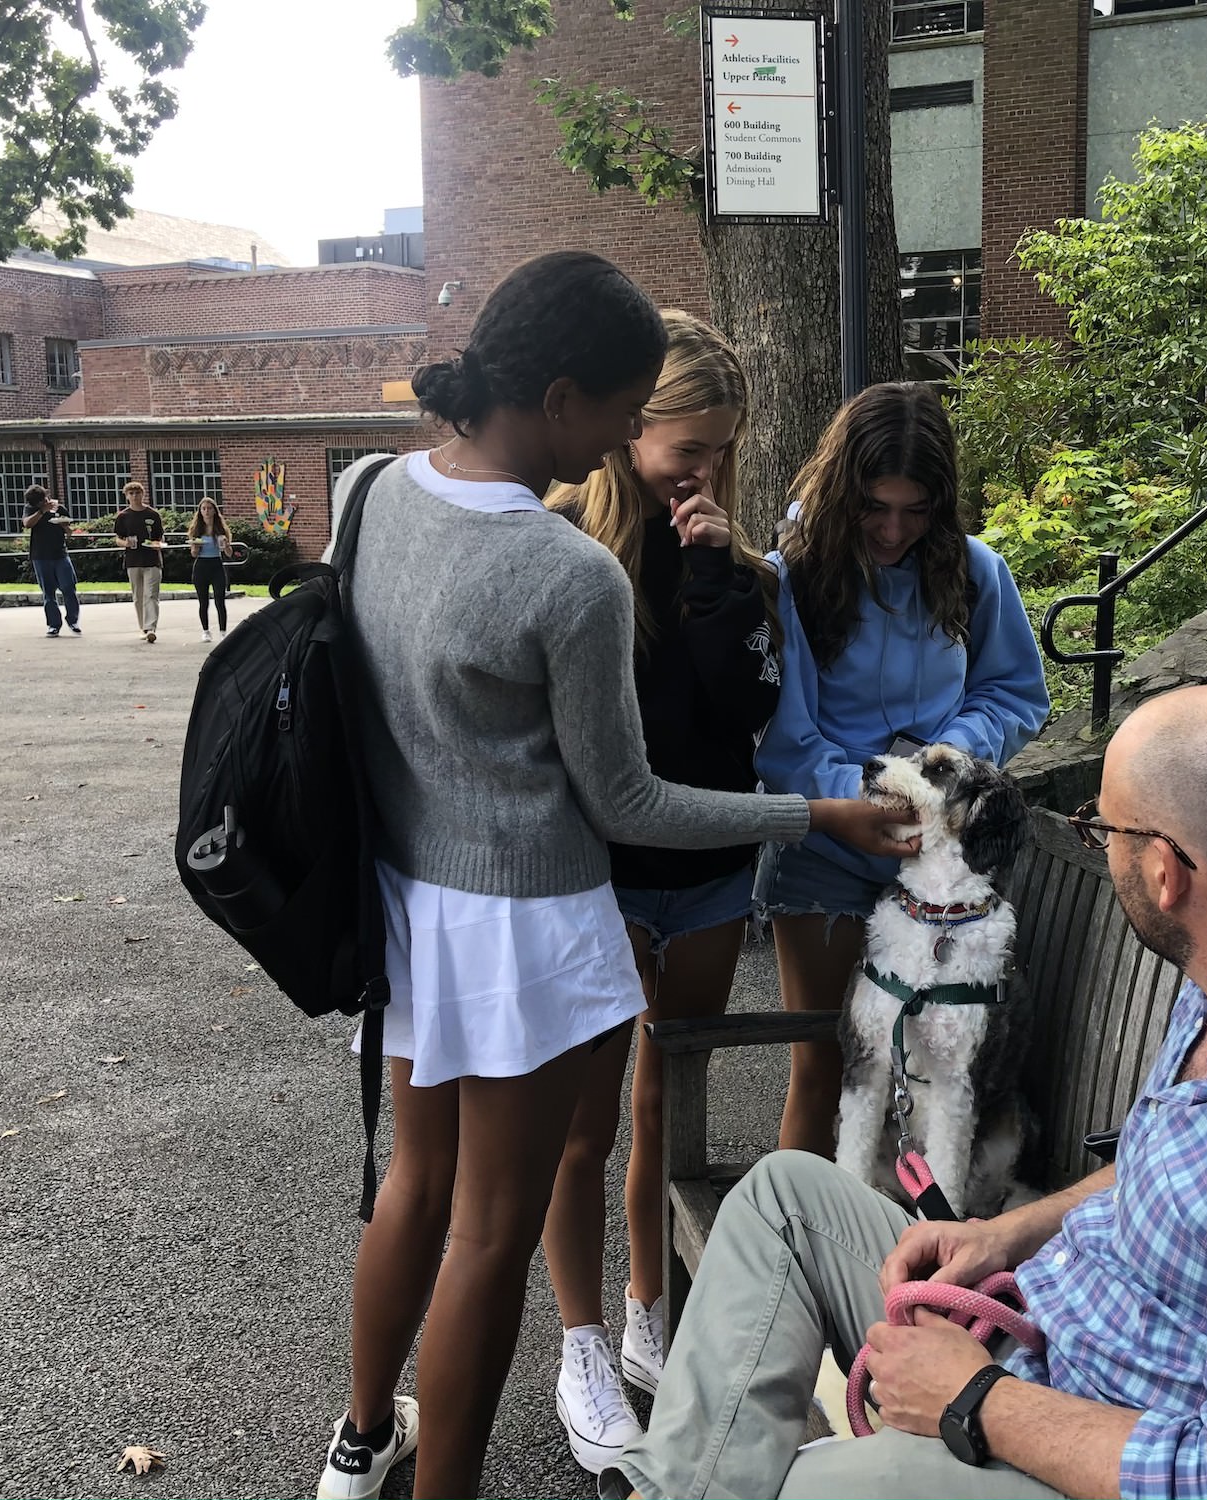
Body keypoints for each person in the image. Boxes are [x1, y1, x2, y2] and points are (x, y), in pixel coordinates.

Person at [314, 251, 920, 1500]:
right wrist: (811, 813)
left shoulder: (370, 490)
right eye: (619, 408)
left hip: (412, 906)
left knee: (415, 1188)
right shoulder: (566, 572)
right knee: (491, 1227)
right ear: (558, 396)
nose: (620, 441)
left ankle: (362, 1440)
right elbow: (627, 801)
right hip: (527, 925)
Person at [602, 683, 1207, 1500]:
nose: (1096, 846)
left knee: (795, 1488)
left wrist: (976, 1401)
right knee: (781, 1201)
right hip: (1044, 1341)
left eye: (1102, 830)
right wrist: (1006, 1231)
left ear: (1165, 871)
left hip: (1079, 1451)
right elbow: (1171, 1172)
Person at [539, 309, 777, 1470]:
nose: (708, 471)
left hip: (710, 873)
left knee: (662, 1104)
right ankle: (580, 1344)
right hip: (601, 880)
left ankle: (644, 1308)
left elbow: (744, 716)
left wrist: (711, 577)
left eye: (725, 448)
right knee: (578, 1123)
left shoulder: (728, 565)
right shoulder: (560, 545)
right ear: (631, 429)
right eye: (690, 446)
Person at [755, 382, 1049, 1156]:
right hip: (826, 853)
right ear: (842, 489)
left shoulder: (977, 571)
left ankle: (906, 1256)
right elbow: (785, 736)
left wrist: (940, 761)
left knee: (940, 1067)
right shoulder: (795, 578)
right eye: (874, 507)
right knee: (828, 1065)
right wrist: (853, 800)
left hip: (941, 863)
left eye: (915, 511)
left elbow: (1016, 693)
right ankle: (811, 1249)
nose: (893, 531)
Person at [22, 484, 80, 637]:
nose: (42, 503)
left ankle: (73, 620)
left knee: (69, 587)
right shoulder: (32, 509)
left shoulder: (59, 508)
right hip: (40, 556)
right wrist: (42, 511)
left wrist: (63, 525)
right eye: (38, 504)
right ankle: (54, 625)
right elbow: (27, 523)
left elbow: (70, 532)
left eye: (42, 501)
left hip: (60, 554)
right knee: (48, 593)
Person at [112, 480, 164, 643]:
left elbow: (159, 537)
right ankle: (142, 627)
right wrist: (125, 543)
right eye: (131, 493)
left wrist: (157, 545)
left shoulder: (153, 514)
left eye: (137, 493)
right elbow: (117, 539)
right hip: (133, 561)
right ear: (127, 496)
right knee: (138, 596)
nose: (135, 496)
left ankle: (150, 627)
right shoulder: (123, 516)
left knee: (151, 594)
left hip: (152, 560)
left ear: (143, 494)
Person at [189, 495, 231, 643]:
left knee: (220, 599)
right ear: (200, 511)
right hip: (201, 566)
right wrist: (195, 547)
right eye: (204, 509)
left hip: (216, 565)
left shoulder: (220, 529)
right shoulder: (196, 529)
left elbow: (228, 553)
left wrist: (226, 545)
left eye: (209, 508)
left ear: (214, 511)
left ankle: (223, 631)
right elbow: (193, 554)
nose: (206, 511)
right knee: (203, 601)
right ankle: (206, 630)